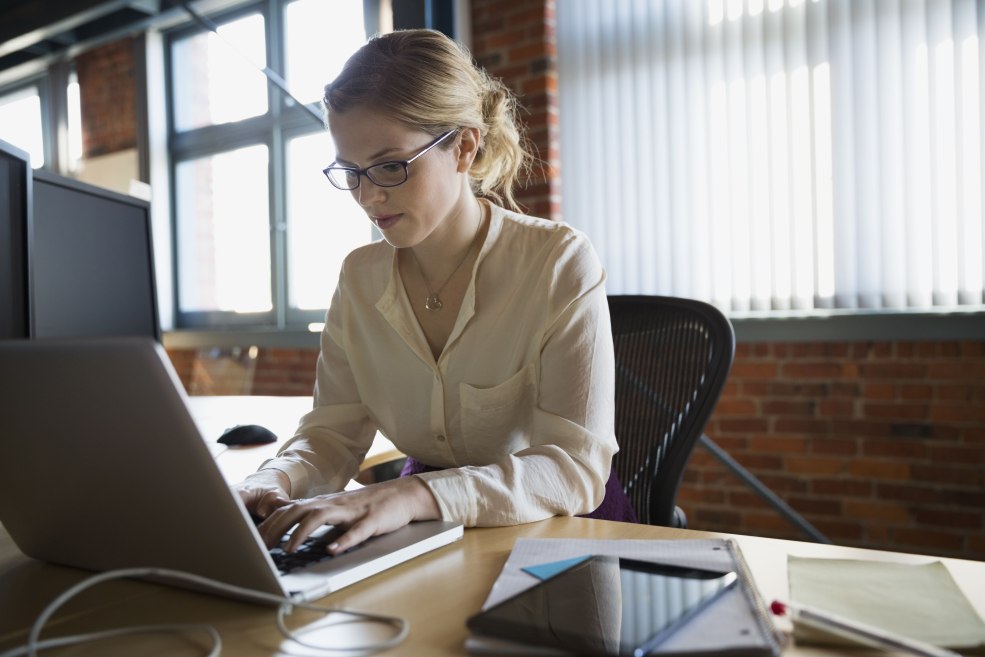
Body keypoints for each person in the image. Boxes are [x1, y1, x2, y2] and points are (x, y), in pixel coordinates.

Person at [233, 28, 635, 557]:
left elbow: (574, 468)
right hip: (425, 523)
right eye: (351, 172)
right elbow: (332, 434)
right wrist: (275, 479)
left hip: (556, 528)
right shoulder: (360, 278)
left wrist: (413, 494)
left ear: (464, 146)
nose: (369, 197)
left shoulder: (556, 261)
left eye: (390, 166)